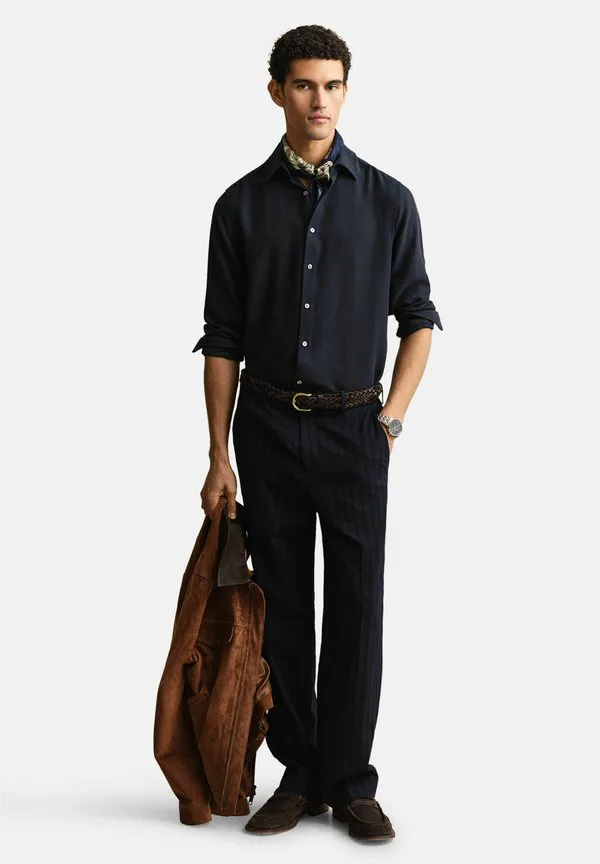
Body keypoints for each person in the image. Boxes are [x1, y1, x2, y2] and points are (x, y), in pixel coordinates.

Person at [193, 24, 443, 842]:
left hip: (355, 432)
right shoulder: (239, 206)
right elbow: (222, 338)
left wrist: (392, 418)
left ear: (346, 91)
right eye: (304, 84)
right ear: (277, 92)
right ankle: (299, 773)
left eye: (332, 85)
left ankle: (350, 779)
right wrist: (218, 453)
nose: (319, 100)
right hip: (266, 428)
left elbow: (419, 318)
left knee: (358, 607)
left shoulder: (389, 201)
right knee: (285, 605)